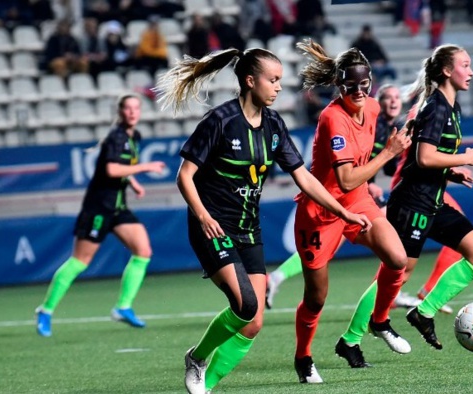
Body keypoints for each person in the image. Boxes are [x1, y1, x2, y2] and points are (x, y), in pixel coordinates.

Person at [154, 47, 371, 394]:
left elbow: (304, 177)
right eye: (273, 80)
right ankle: (197, 358)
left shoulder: (274, 125)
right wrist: (204, 216)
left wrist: (344, 212)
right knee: (246, 305)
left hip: (248, 229)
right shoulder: (220, 121)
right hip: (213, 226)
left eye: (280, 80)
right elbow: (185, 176)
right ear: (250, 81)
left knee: (253, 324)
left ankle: (205, 384)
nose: (279, 87)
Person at [266, 84, 456, 314]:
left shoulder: (384, 126)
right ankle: (389, 296)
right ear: (378, 100)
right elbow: (355, 163)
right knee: (387, 241)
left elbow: (385, 165)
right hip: (346, 195)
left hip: (357, 193)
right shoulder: (367, 123)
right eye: (387, 98)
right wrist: (371, 179)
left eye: (397, 97)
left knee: (341, 246)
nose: (394, 102)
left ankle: (276, 277)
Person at [292, 39, 413, 384]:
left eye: (364, 83)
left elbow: (360, 169)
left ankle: (379, 321)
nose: (359, 91)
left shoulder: (373, 108)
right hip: (321, 208)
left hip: (358, 199)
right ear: (339, 84)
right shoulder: (332, 118)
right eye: (351, 85)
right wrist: (389, 154)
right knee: (316, 298)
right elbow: (343, 180)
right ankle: (303, 357)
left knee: (397, 258)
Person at [34, 94, 167, 337]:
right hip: (98, 209)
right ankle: (46, 310)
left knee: (143, 251)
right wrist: (145, 168)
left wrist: (133, 182)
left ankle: (123, 307)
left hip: (117, 208)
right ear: (120, 111)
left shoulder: (134, 136)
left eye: (136, 108)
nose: (132, 112)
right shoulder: (115, 137)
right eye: (127, 108)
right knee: (80, 262)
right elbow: (111, 169)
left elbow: (122, 168)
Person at [393, 44, 473, 351]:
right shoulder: (435, 107)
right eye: (465, 64)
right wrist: (464, 159)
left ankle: (424, 312)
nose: (471, 71)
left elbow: (432, 159)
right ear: (447, 70)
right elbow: (423, 157)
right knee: (397, 274)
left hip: (433, 201)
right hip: (412, 203)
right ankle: (356, 334)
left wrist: (451, 173)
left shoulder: (452, 107)